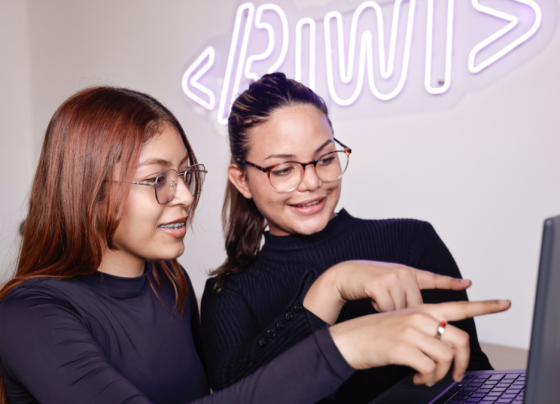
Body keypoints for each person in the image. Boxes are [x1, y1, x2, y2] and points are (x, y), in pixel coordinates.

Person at [0, 86, 510, 404]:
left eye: (185, 175)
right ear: (86, 189)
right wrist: (348, 341)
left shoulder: (168, 282)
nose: (185, 198)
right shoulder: (28, 313)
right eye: (157, 180)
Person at [201, 72, 495, 403]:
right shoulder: (229, 293)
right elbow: (237, 397)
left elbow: (469, 374)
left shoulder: (411, 241)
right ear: (241, 180)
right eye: (283, 169)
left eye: (325, 159)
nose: (312, 182)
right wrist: (330, 288)